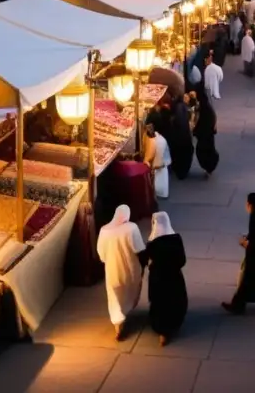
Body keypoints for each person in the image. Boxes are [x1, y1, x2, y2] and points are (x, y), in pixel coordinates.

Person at [96, 205, 147, 340]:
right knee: (129, 292)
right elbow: (139, 248)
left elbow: (101, 254)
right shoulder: (131, 228)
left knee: (114, 297)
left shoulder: (104, 230)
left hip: (112, 270)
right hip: (130, 269)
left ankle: (118, 325)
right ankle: (127, 310)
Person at [145, 211, 188, 346]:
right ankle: (173, 325)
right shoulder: (176, 239)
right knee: (174, 301)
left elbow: (148, 260)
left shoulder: (152, 243)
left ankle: (162, 331)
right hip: (174, 278)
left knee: (159, 303)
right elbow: (182, 260)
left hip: (158, 279)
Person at [193, 85, 220, 177]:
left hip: (204, 134)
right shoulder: (207, 107)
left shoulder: (203, 108)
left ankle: (208, 167)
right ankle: (209, 168)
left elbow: (201, 121)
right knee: (208, 150)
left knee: (203, 151)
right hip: (208, 134)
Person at [143, 125, 172, 198]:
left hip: (159, 161)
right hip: (163, 161)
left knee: (158, 177)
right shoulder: (159, 137)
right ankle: (162, 192)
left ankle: (158, 192)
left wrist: (146, 160)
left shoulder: (152, 140)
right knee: (163, 176)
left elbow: (149, 155)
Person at [170, 94, 194, 180]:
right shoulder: (182, 107)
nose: (187, 99)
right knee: (185, 153)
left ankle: (179, 170)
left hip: (179, 136)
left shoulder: (179, 107)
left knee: (179, 154)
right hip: (183, 136)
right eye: (185, 97)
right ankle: (182, 171)